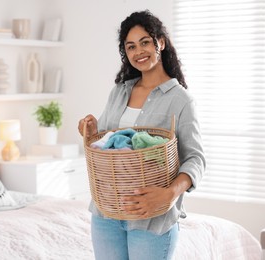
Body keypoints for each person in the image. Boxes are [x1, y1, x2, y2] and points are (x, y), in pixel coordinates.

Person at [78, 10, 205, 260]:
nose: (139, 52)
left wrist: (170, 194)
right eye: (131, 46)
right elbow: (105, 143)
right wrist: (90, 132)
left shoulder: (181, 100)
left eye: (145, 42)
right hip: (107, 213)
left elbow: (196, 159)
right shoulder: (119, 91)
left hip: (152, 216)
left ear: (161, 43)